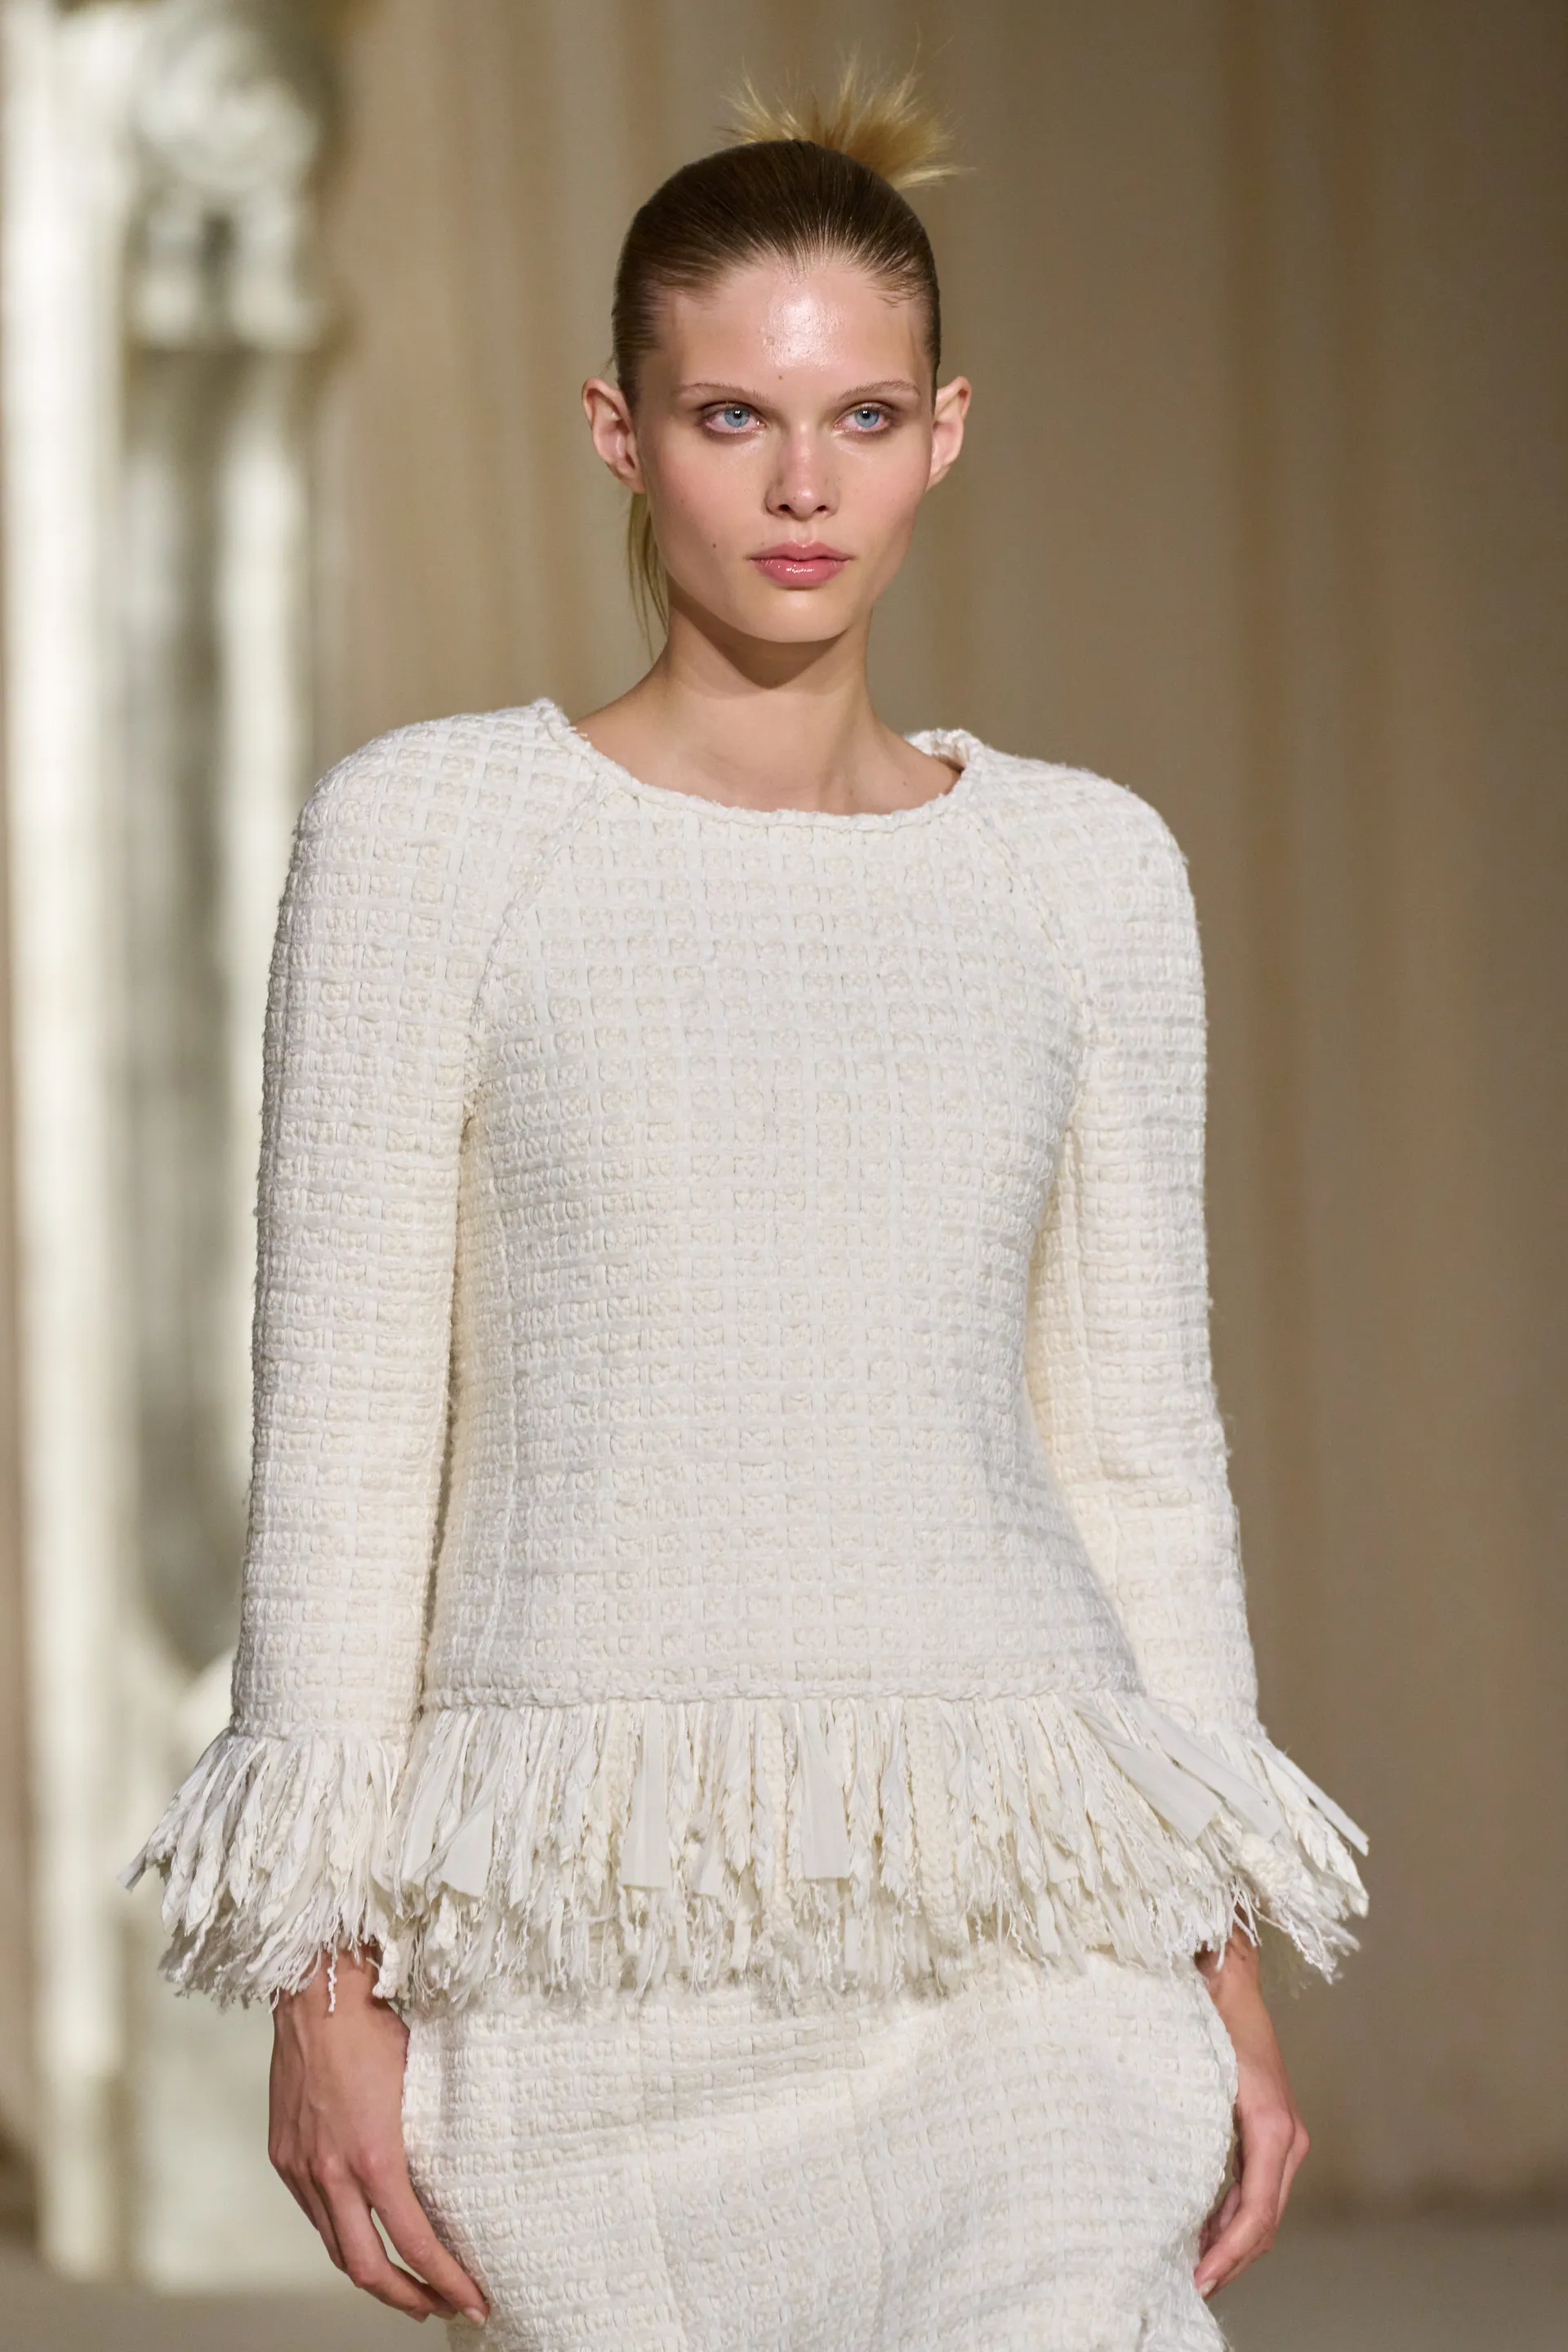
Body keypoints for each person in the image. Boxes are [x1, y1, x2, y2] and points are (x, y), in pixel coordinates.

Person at [125, 63, 1369, 2351]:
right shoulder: (435, 840)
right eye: (735, 419)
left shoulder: (1084, 870)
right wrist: (320, 1979)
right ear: (622, 433)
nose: (806, 487)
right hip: (593, 1949)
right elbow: (348, 1440)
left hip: (1027, 1927)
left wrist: (1224, 1971)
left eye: (864, 417)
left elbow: (1137, 1456)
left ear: (946, 433)